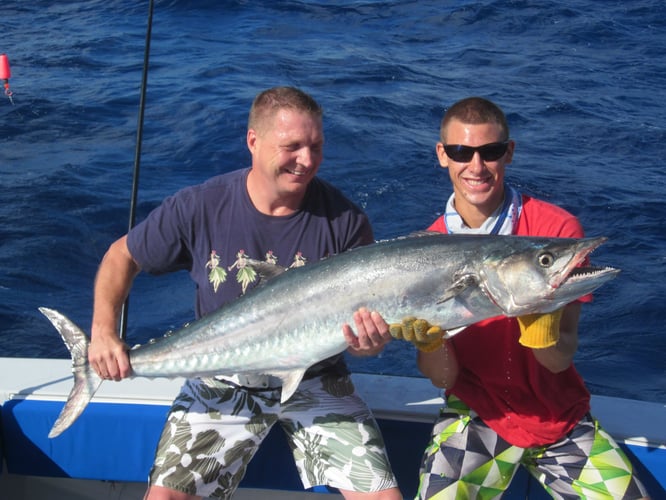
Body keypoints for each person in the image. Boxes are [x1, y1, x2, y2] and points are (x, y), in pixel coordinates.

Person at [88, 86, 402, 500]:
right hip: (223, 379)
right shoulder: (200, 206)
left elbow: (365, 335)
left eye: (316, 146)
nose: (307, 161)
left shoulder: (344, 220)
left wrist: (368, 344)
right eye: (292, 147)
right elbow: (120, 257)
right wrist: (103, 331)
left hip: (317, 378)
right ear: (253, 140)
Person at [400, 97, 649, 499]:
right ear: (443, 156)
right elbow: (443, 378)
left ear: (509, 153)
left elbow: (559, 359)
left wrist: (538, 326)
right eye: (462, 152)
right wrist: (433, 341)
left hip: (558, 415)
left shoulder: (554, 228)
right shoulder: (423, 254)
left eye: (491, 151)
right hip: (479, 411)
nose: (476, 166)